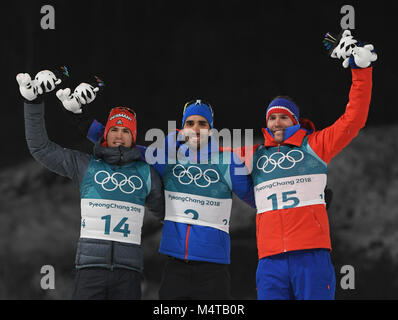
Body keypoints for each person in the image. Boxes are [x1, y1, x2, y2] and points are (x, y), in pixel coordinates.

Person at [238, 30, 376, 300]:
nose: (277, 122)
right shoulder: (255, 154)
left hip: (311, 255)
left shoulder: (315, 146)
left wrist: (361, 72)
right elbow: (211, 154)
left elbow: (353, 120)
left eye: (284, 118)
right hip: (269, 261)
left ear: (296, 122)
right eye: (272, 118)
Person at [73, 99, 256, 299]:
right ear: (182, 129)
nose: (196, 128)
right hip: (175, 267)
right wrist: (81, 117)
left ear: (211, 130)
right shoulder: (166, 160)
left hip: (214, 269)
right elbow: (122, 145)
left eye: (202, 123)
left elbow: (258, 199)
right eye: (190, 123)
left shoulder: (228, 162)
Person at [18, 71, 165, 300]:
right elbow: (41, 148)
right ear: (105, 134)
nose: (119, 135)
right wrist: (33, 102)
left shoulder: (146, 174)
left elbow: (171, 214)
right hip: (90, 269)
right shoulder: (86, 166)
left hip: (129, 272)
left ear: (133, 137)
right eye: (114, 129)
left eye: (126, 131)